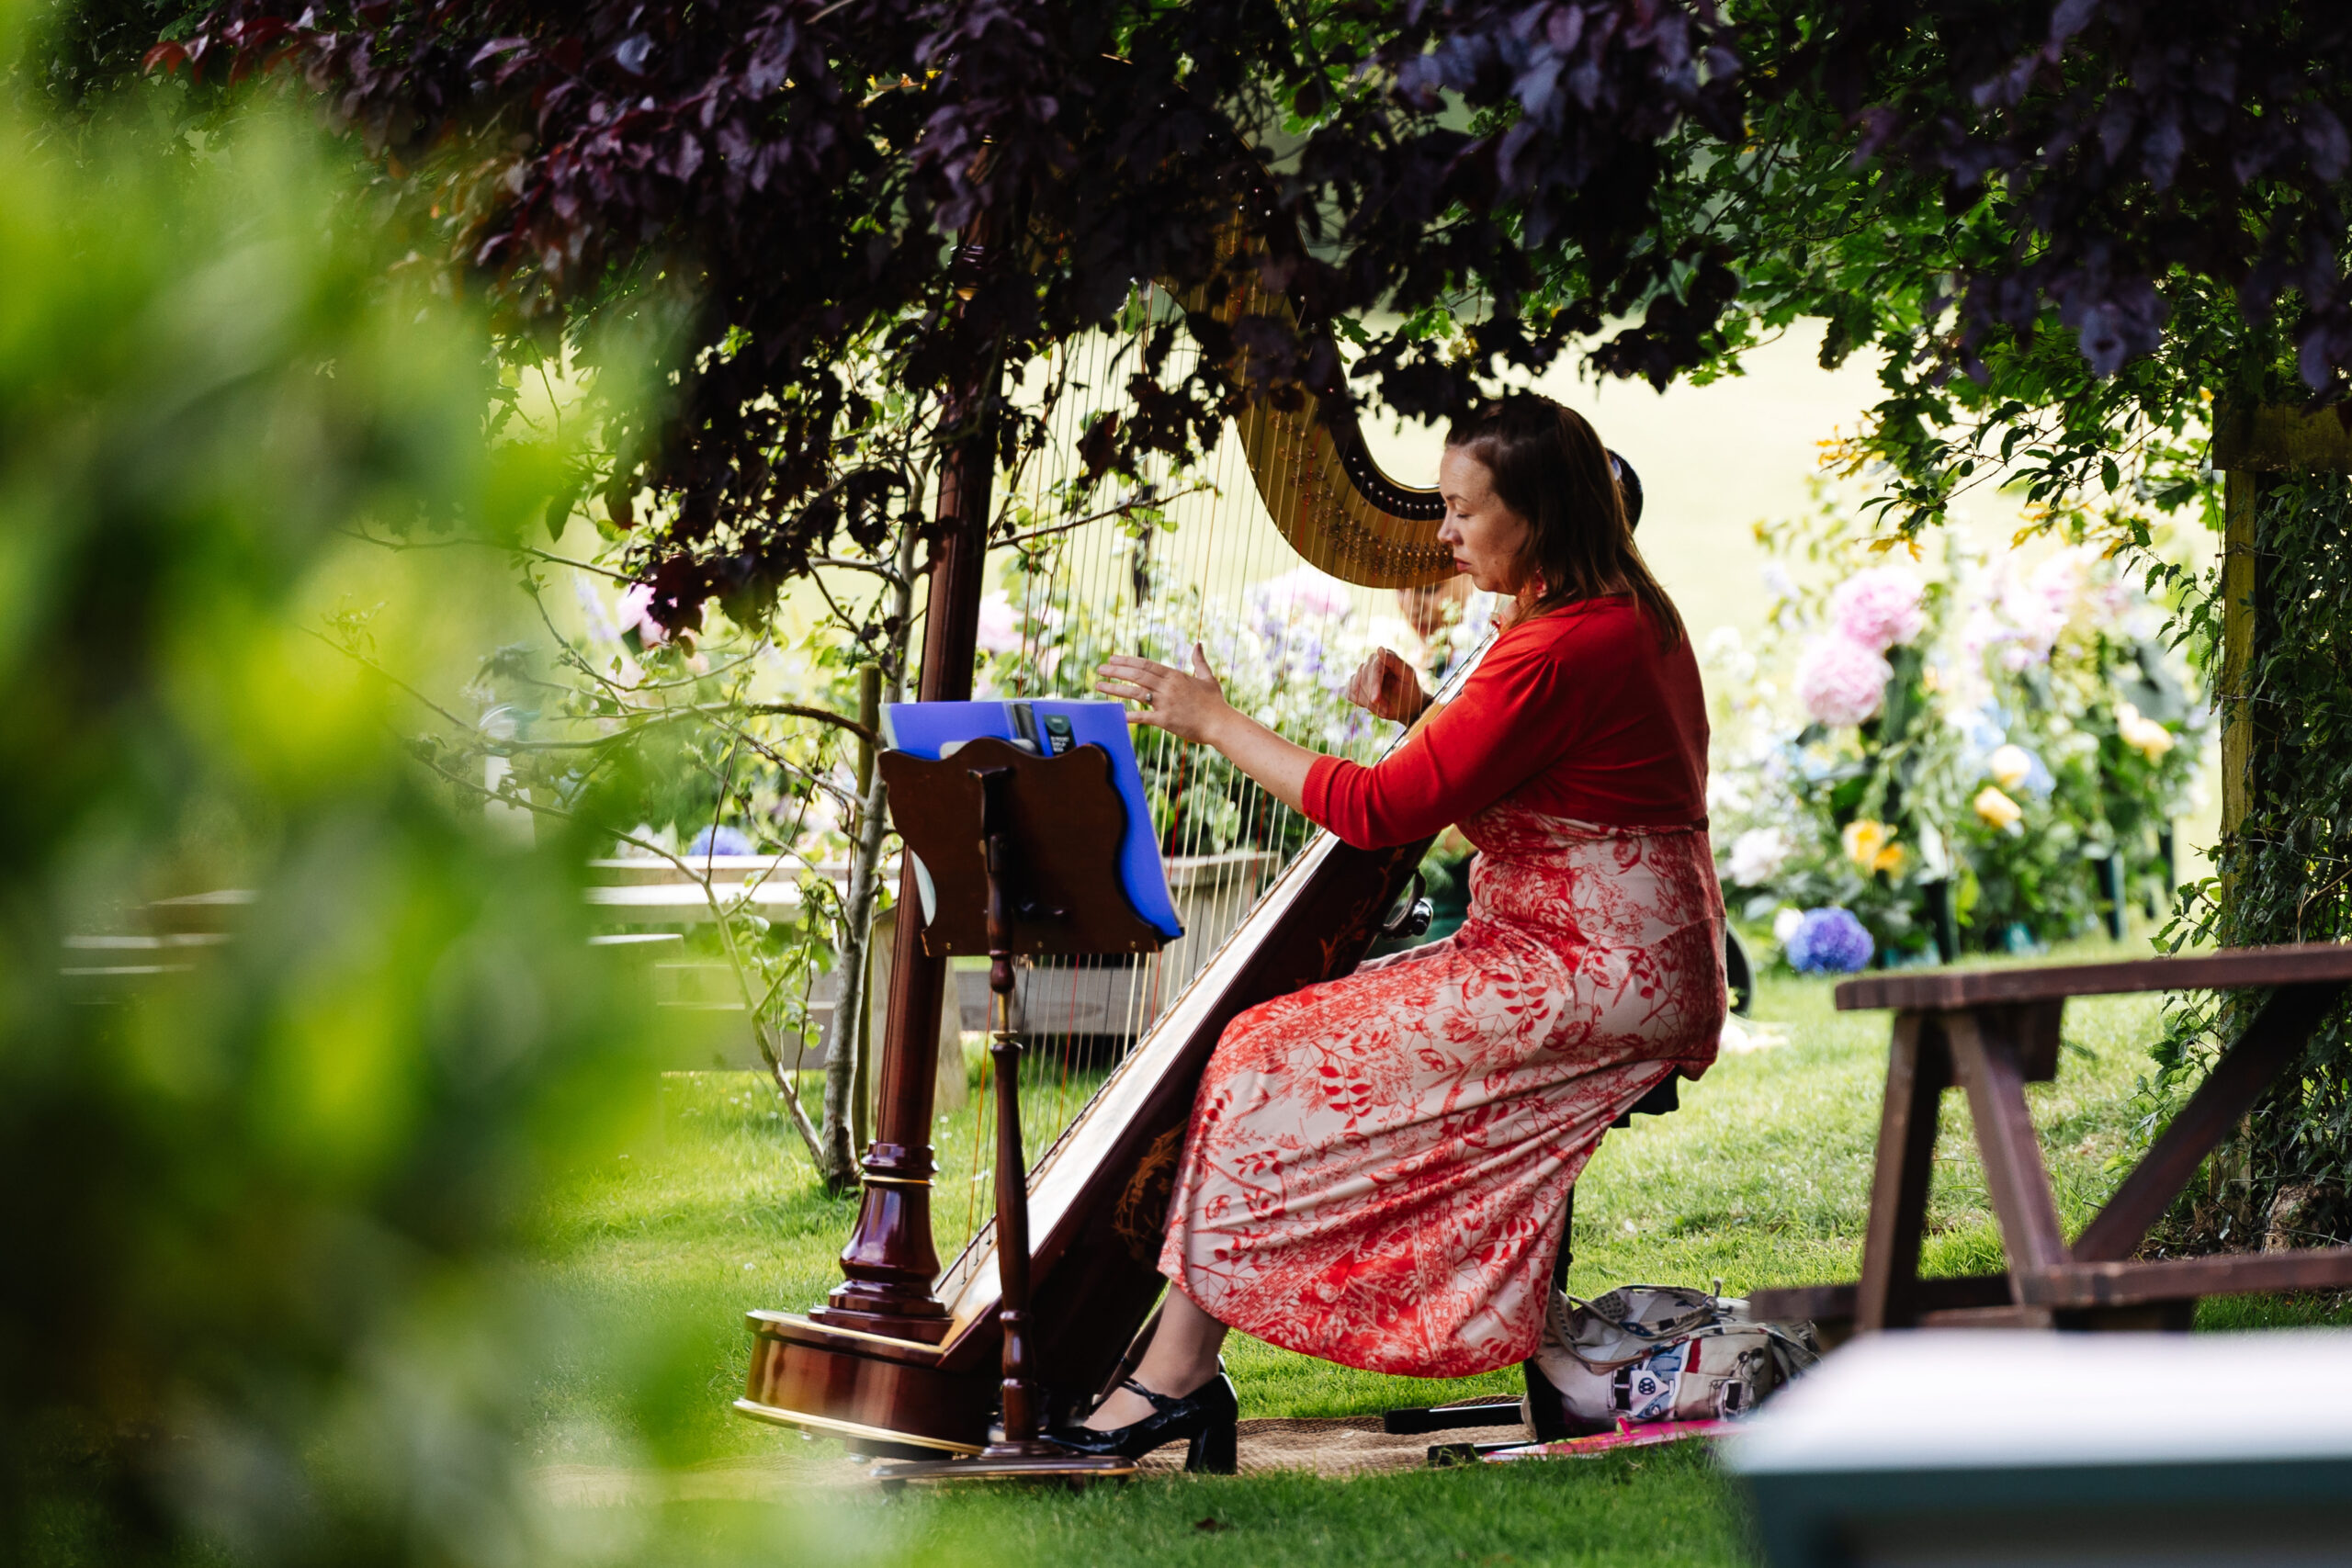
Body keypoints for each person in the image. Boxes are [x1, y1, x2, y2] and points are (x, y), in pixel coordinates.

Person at [1068, 392, 1724, 1472]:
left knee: (1261, 1052)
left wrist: (1211, 718)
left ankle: (1174, 1381)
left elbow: (1380, 812)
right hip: (1605, 953)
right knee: (1267, 1051)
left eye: (1464, 512)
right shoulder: (1615, 618)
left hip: (1590, 971)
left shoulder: (1558, 647)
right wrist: (1427, 717)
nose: (1444, 536)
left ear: (1542, 513)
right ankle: (1179, 1371)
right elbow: (1525, 799)